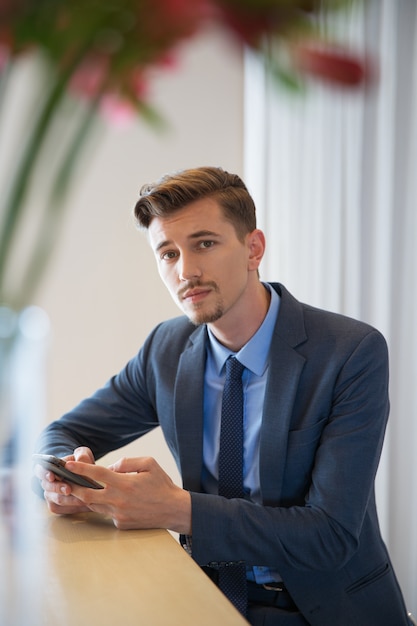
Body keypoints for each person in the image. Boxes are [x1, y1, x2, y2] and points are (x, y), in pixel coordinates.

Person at [34, 166, 410, 626]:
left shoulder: (350, 352)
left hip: (327, 611)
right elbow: (61, 434)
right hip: (205, 602)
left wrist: (176, 507)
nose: (186, 271)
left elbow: (329, 535)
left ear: (254, 248)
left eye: (204, 244)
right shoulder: (166, 349)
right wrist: (60, 480)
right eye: (168, 253)